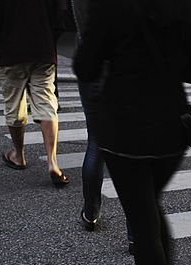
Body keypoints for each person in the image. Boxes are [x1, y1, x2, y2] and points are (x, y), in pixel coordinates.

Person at [74, 0, 191, 265]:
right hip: (171, 125)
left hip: (124, 128)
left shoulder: (110, 6)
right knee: (150, 207)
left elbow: (85, 66)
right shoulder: (188, 6)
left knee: (142, 219)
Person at [0, 0, 68, 186]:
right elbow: (59, 10)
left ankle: (19, 155)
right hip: (43, 46)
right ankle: (53, 162)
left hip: (11, 48)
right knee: (46, 101)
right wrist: (51, 35)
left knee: (14, 104)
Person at [70, 0, 105, 230]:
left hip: (93, 64)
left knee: (96, 142)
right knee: (134, 151)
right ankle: (137, 233)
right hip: (128, 66)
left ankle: (91, 212)